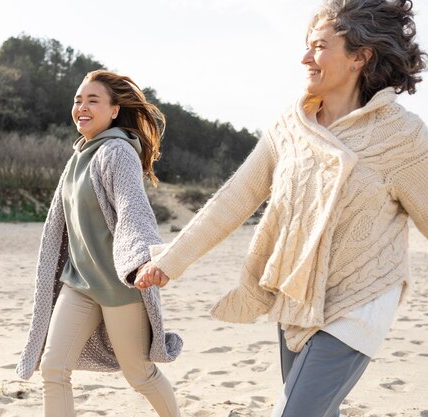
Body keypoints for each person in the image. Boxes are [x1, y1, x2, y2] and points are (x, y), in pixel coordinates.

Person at [135, 0, 428, 416]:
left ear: (359, 57)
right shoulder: (290, 126)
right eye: (308, 46)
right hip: (295, 292)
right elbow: (235, 198)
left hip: (360, 299)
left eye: (320, 47)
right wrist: (171, 260)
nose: (306, 57)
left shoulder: (402, 136)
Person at [16, 69, 182, 416]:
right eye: (78, 100)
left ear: (114, 110)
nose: (82, 107)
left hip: (118, 287)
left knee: (140, 374)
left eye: (93, 100)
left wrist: (145, 259)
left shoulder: (116, 152)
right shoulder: (79, 155)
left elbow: (133, 208)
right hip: (79, 283)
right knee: (53, 368)